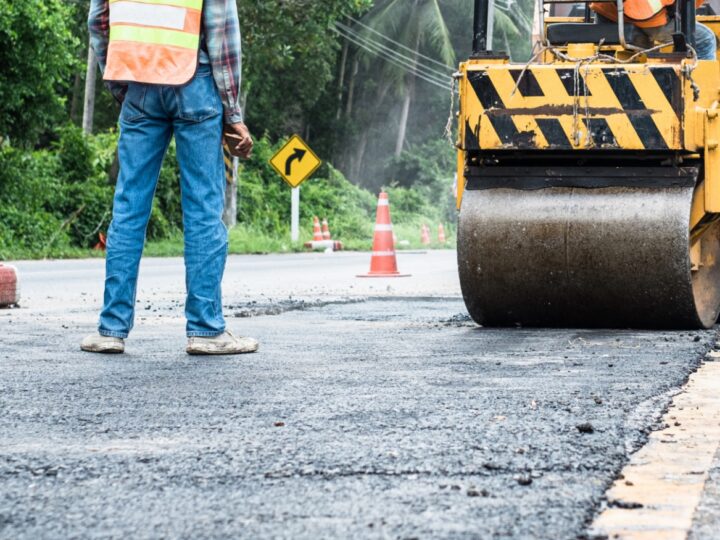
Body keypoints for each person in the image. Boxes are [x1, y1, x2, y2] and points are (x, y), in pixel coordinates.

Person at [82, 0, 258, 355]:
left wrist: (120, 83)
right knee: (203, 209)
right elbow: (223, 37)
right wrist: (233, 114)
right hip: (195, 81)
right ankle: (206, 330)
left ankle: (111, 330)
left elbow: (98, 22)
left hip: (139, 82)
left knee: (129, 207)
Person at [591, 0, 717, 60]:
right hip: (643, 15)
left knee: (641, 53)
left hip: (606, 11)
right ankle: (695, 94)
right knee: (705, 39)